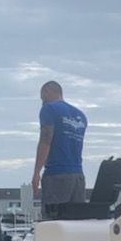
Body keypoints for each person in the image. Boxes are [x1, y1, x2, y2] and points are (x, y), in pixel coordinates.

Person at [31, 80, 88, 219]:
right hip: (78, 177)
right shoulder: (81, 116)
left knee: (53, 224)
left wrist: (36, 172)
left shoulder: (49, 109)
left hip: (57, 175)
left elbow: (45, 140)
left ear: (47, 92)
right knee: (75, 224)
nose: (42, 102)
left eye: (42, 98)